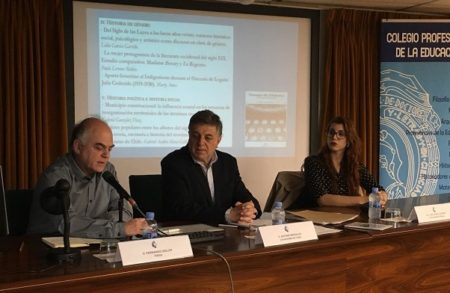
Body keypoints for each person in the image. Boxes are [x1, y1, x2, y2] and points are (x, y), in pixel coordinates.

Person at [27, 117, 147, 238]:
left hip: (93, 245)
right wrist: (114, 228)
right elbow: (66, 224)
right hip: (46, 248)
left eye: (109, 149)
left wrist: (99, 226)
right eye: (99, 148)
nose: (106, 155)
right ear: (78, 147)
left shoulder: (108, 171)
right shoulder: (56, 176)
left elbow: (125, 212)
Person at [161, 110, 262, 225]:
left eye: (208, 138)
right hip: (188, 233)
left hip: (224, 234)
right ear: (189, 136)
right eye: (195, 136)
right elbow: (182, 209)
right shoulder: (173, 163)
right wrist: (227, 215)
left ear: (218, 140)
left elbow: (246, 197)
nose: (200, 142)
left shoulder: (228, 162)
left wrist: (249, 209)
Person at [302, 116, 388, 207]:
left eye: (341, 134)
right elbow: (322, 199)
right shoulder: (313, 162)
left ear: (348, 140)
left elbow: (377, 188)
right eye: (331, 132)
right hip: (316, 216)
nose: (334, 137)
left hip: (346, 215)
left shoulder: (355, 165)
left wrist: (382, 195)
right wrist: (367, 199)